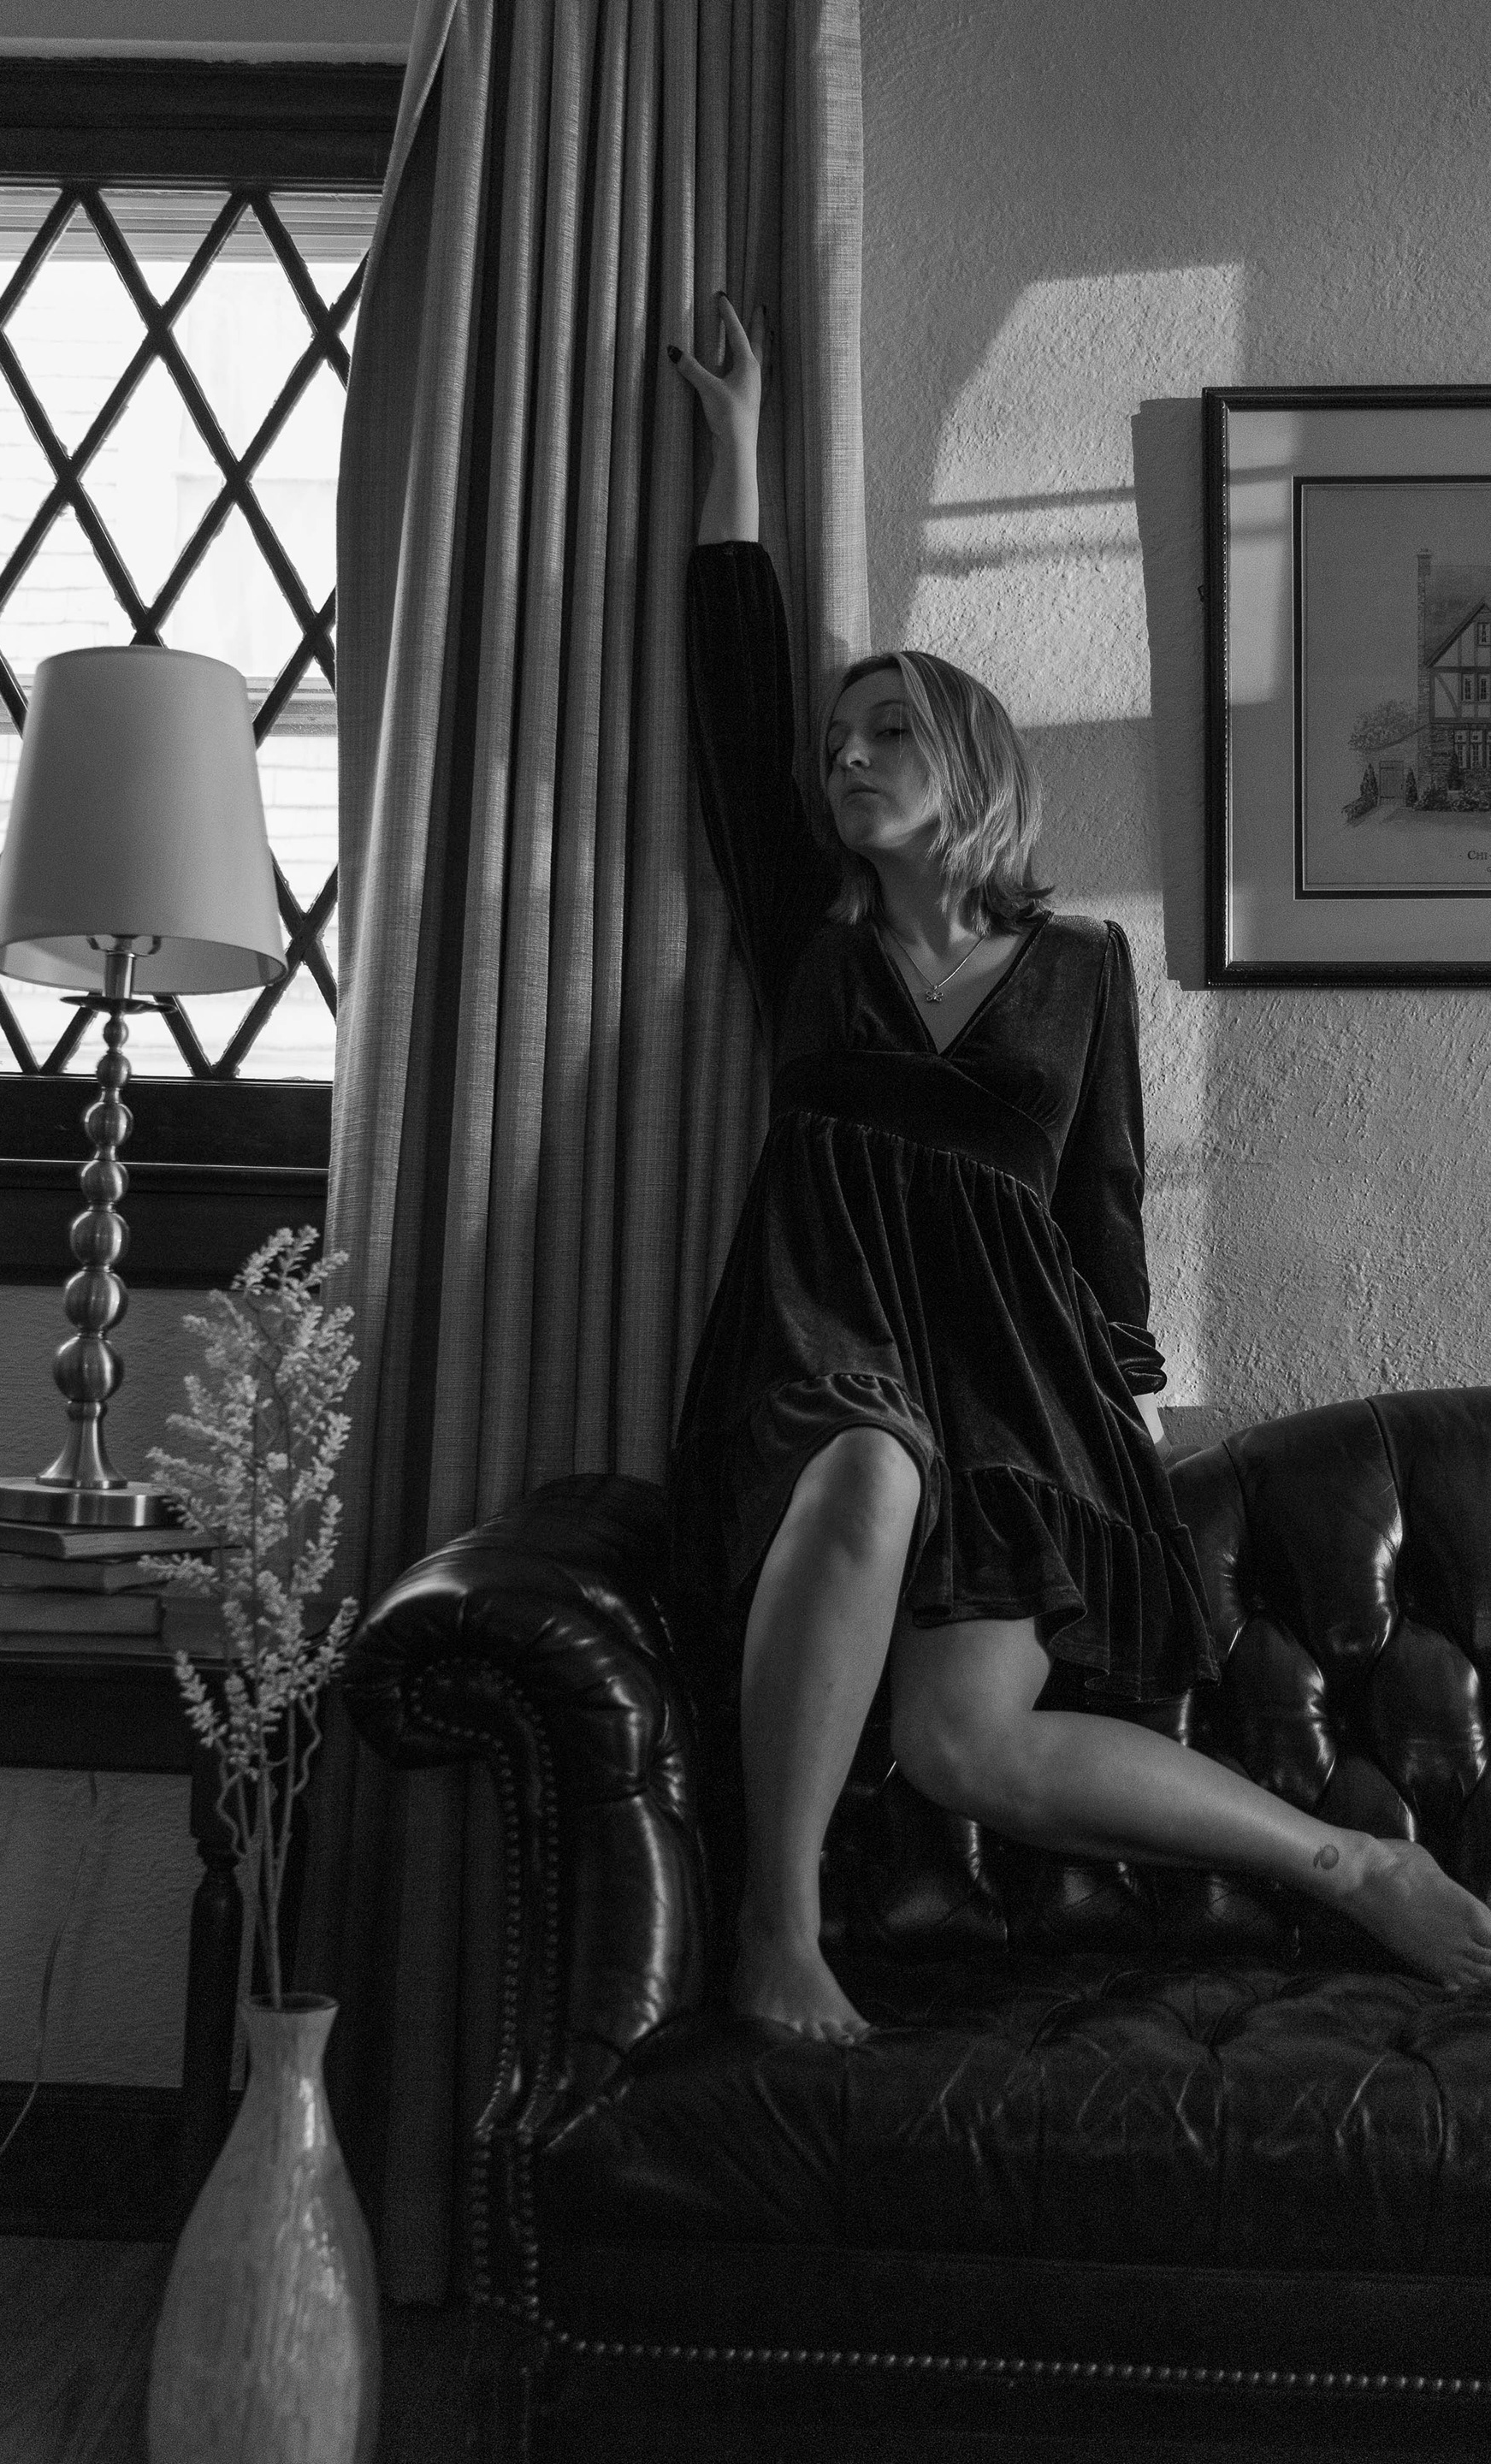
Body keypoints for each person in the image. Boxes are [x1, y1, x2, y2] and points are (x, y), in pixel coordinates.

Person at [666, 293, 1491, 2043]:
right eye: (837, 742)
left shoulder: (1078, 968)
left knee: (964, 1742)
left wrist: (1129, 1407)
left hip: (1014, 1388)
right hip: (828, 1344)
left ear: (969, 762)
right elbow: (735, 706)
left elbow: (1099, 1209)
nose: (845, 758)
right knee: (864, 1476)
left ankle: (1352, 1867)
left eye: (888, 732)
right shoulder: (807, 936)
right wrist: (733, 449)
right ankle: (778, 1929)